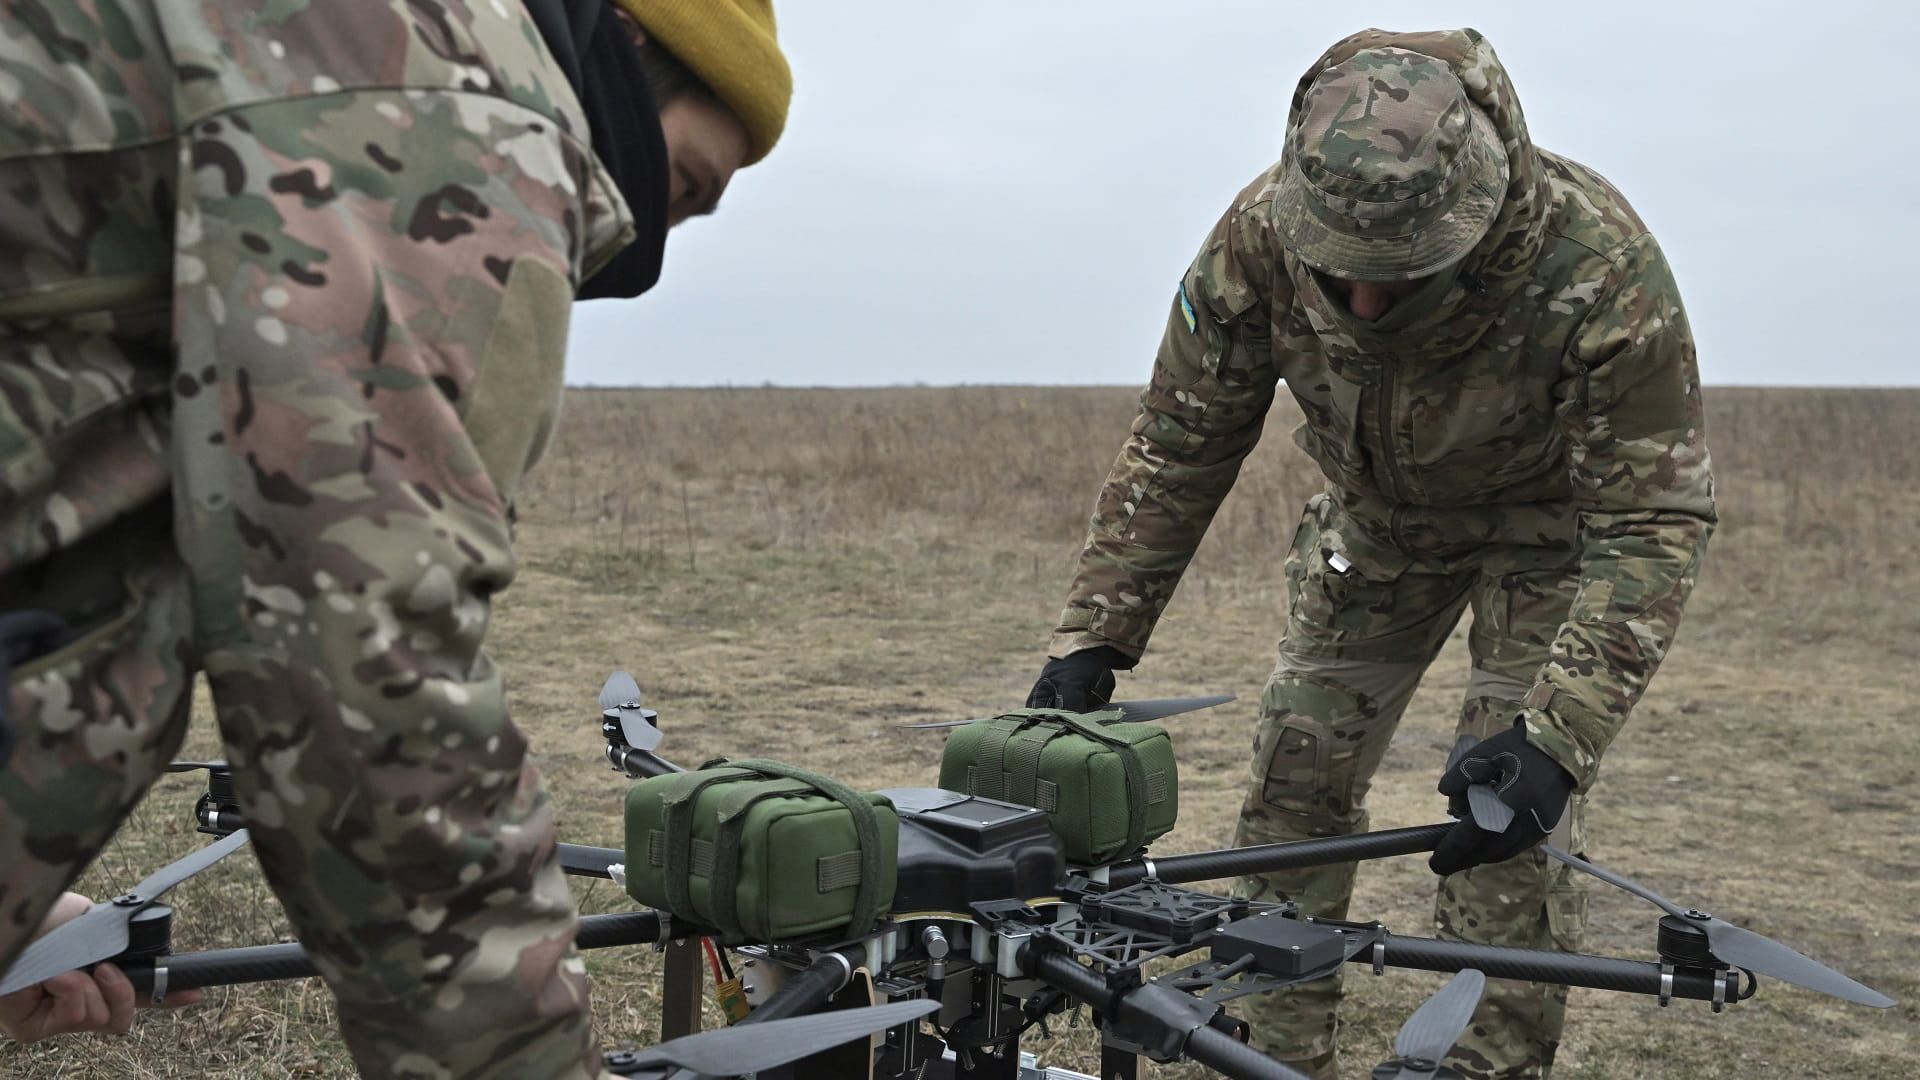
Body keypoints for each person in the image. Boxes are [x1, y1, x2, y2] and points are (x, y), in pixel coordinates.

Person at [0, 0, 789, 1074]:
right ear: (632, 43)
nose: (640, 237)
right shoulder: (448, 93)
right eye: (683, 185)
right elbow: (359, 655)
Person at [1025, 28, 1714, 1080]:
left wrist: (1558, 736)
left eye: (1397, 280)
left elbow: (1651, 521)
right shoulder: (1260, 237)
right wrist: (1097, 635)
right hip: (1378, 531)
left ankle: (1482, 1066)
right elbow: (1182, 438)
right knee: (1293, 783)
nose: (1362, 308)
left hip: (1549, 542)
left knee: (1502, 821)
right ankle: (1265, 1050)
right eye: (1340, 277)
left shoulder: (1601, 268)